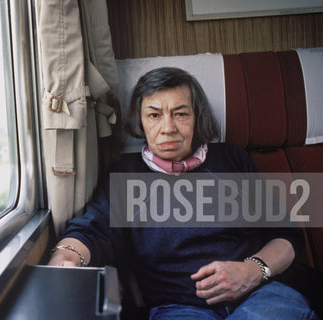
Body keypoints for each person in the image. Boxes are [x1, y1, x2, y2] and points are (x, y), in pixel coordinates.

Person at [48, 67, 318, 319]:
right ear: (140, 122)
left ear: (196, 117)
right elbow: (92, 232)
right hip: (178, 307)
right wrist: (66, 257)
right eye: (154, 115)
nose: (168, 128)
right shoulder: (124, 175)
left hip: (259, 295)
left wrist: (251, 271)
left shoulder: (231, 158)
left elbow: (286, 236)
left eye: (180, 114)